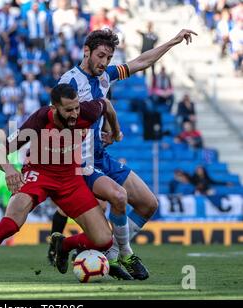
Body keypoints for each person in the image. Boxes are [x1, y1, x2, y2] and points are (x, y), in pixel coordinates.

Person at [50, 27, 198, 280]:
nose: (104, 62)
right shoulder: (69, 82)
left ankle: (82, 248)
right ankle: (124, 255)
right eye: (100, 56)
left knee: (148, 204)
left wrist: (172, 41)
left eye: (108, 57)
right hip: (79, 165)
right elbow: (54, 120)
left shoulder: (106, 76)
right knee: (118, 197)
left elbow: (141, 61)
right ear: (87, 52)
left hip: (100, 157)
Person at [0, 84, 119, 283]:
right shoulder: (40, 119)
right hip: (39, 175)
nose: (75, 114)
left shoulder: (88, 111)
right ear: (54, 108)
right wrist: (9, 170)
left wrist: (113, 130)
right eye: (68, 110)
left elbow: (107, 105)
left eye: (76, 108)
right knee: (10, 224)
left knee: (104, 240)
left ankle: (64, 245)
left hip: (70, 179)